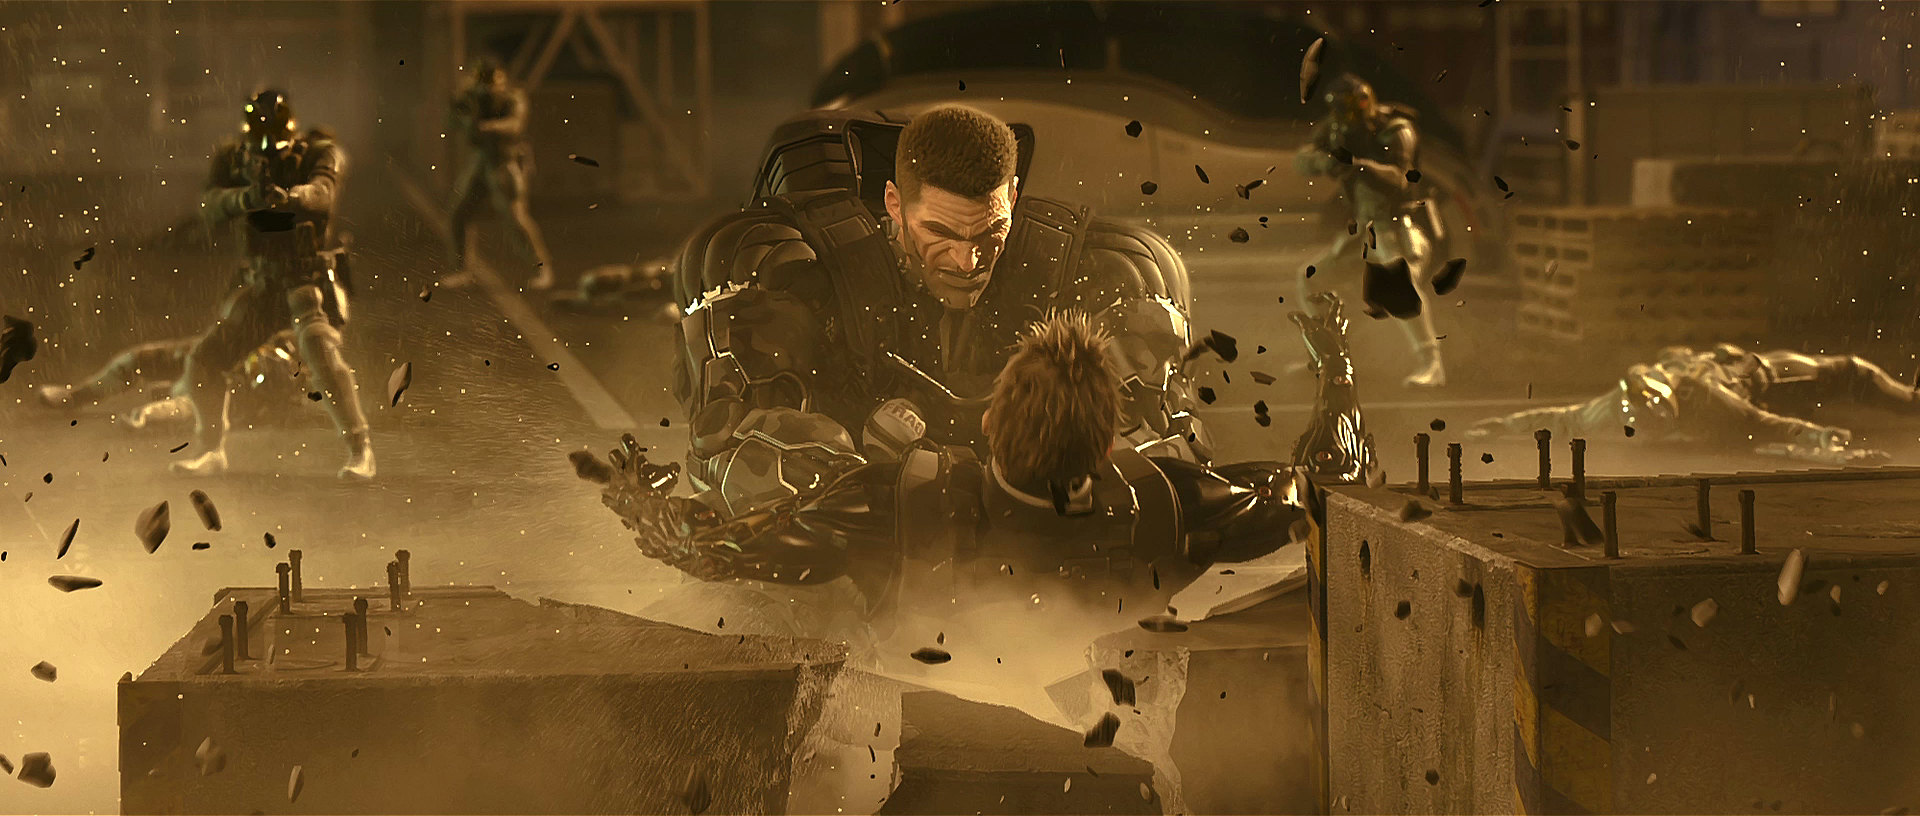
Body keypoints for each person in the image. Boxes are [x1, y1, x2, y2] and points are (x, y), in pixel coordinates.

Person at [576, 292, 1377, 623]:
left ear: (991, 421)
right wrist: (1336, 367)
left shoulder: (890, 503)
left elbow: (712, 552)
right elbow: (1335, 481)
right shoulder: (1174, 503)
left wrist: (636, 498)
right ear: (1106, 442)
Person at [668, 105, 1208, 537]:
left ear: (1013, 198)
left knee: (1143, 270)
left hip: (1041, 532)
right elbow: (729, 453)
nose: (967, 263)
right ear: (893, 204)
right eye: (940, 235)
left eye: (989, 234)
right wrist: (857, 472)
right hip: (850, 533)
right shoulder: (802, 273)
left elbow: (1170, 455)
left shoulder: (1092, 269)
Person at [171, 89, 374, 480]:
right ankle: (212, 449)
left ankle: (360, 449)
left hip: (305, 280)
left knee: (319, 352)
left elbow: (323, 192)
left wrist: (290, 198)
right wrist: (247, 197)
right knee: (205, 359)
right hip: (264, 284)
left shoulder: (316, 154)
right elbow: (209, 205)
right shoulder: (235, 159)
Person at [1464, 344, 1911, 465]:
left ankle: (1911, 399)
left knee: (1849, 372)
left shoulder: (1710, 399)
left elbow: (1766, 422)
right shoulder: (1621, 402)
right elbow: (1561, 420)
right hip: (1718, 381)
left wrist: (1820, 438)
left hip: (1763, 378)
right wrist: (1501, 425)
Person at [1294, 75, 1447, 388]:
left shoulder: (1395, 129)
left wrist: (1360, 165)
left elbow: (1400, 177)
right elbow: (1302, 158)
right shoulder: (1337, 127)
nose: (1353, 112)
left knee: (1399, 286)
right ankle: (1329, 357)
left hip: (1400, 225)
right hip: (1365, 230)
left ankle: (1432, 363)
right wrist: (1325, 162)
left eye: (1357, 105)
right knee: (1313, 279)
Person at [39, 329, 307, 431]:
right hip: (229, 351)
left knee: (197, 402)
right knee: (140, 359)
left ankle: (163, 401)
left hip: (249, 382)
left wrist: (150, 414)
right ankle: (78, 395)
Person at [444, 58, 555, 291]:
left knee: (516, 218)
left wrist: (488, 126)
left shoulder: (513, 97)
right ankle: (462, 269)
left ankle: (542, 269)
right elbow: (455, 121)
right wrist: (465, 111)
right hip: (482, 160)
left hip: (506, 160)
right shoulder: (473, 98)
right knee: (459, 214)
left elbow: (515, 125)